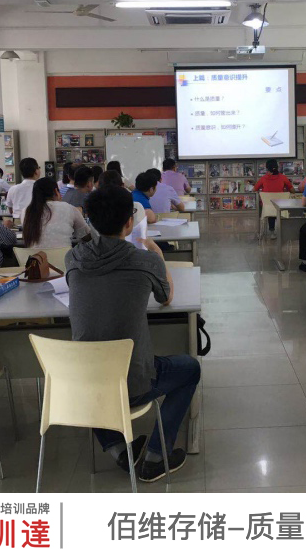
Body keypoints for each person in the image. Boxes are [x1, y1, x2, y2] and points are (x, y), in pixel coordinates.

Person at [66, 186, 199, 482]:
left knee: (92, 373)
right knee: (190, 368)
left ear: (90, 220)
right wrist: (158, 254)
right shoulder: (144, 260)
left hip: (84, 381)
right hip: (132, 381)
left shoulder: (72, 258)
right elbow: (166, 297)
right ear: (129, 222)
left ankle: (118, 451)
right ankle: (155, 456)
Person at [22, 177, 89, 249]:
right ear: (56, 191)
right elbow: (86, 235)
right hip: (62, 255)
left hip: (34, 256)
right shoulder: (69, 208)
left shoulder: (26, 211)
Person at [254, 159, 295, 239]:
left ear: (267, 168)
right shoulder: (283, 177)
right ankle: (283, 230)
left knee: (270, 206)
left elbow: (254, 189)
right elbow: (292, 190)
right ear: (277, 167)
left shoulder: (263, 178)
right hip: (281, 207)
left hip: (267, 209)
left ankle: (272, 232)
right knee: (277, 207)